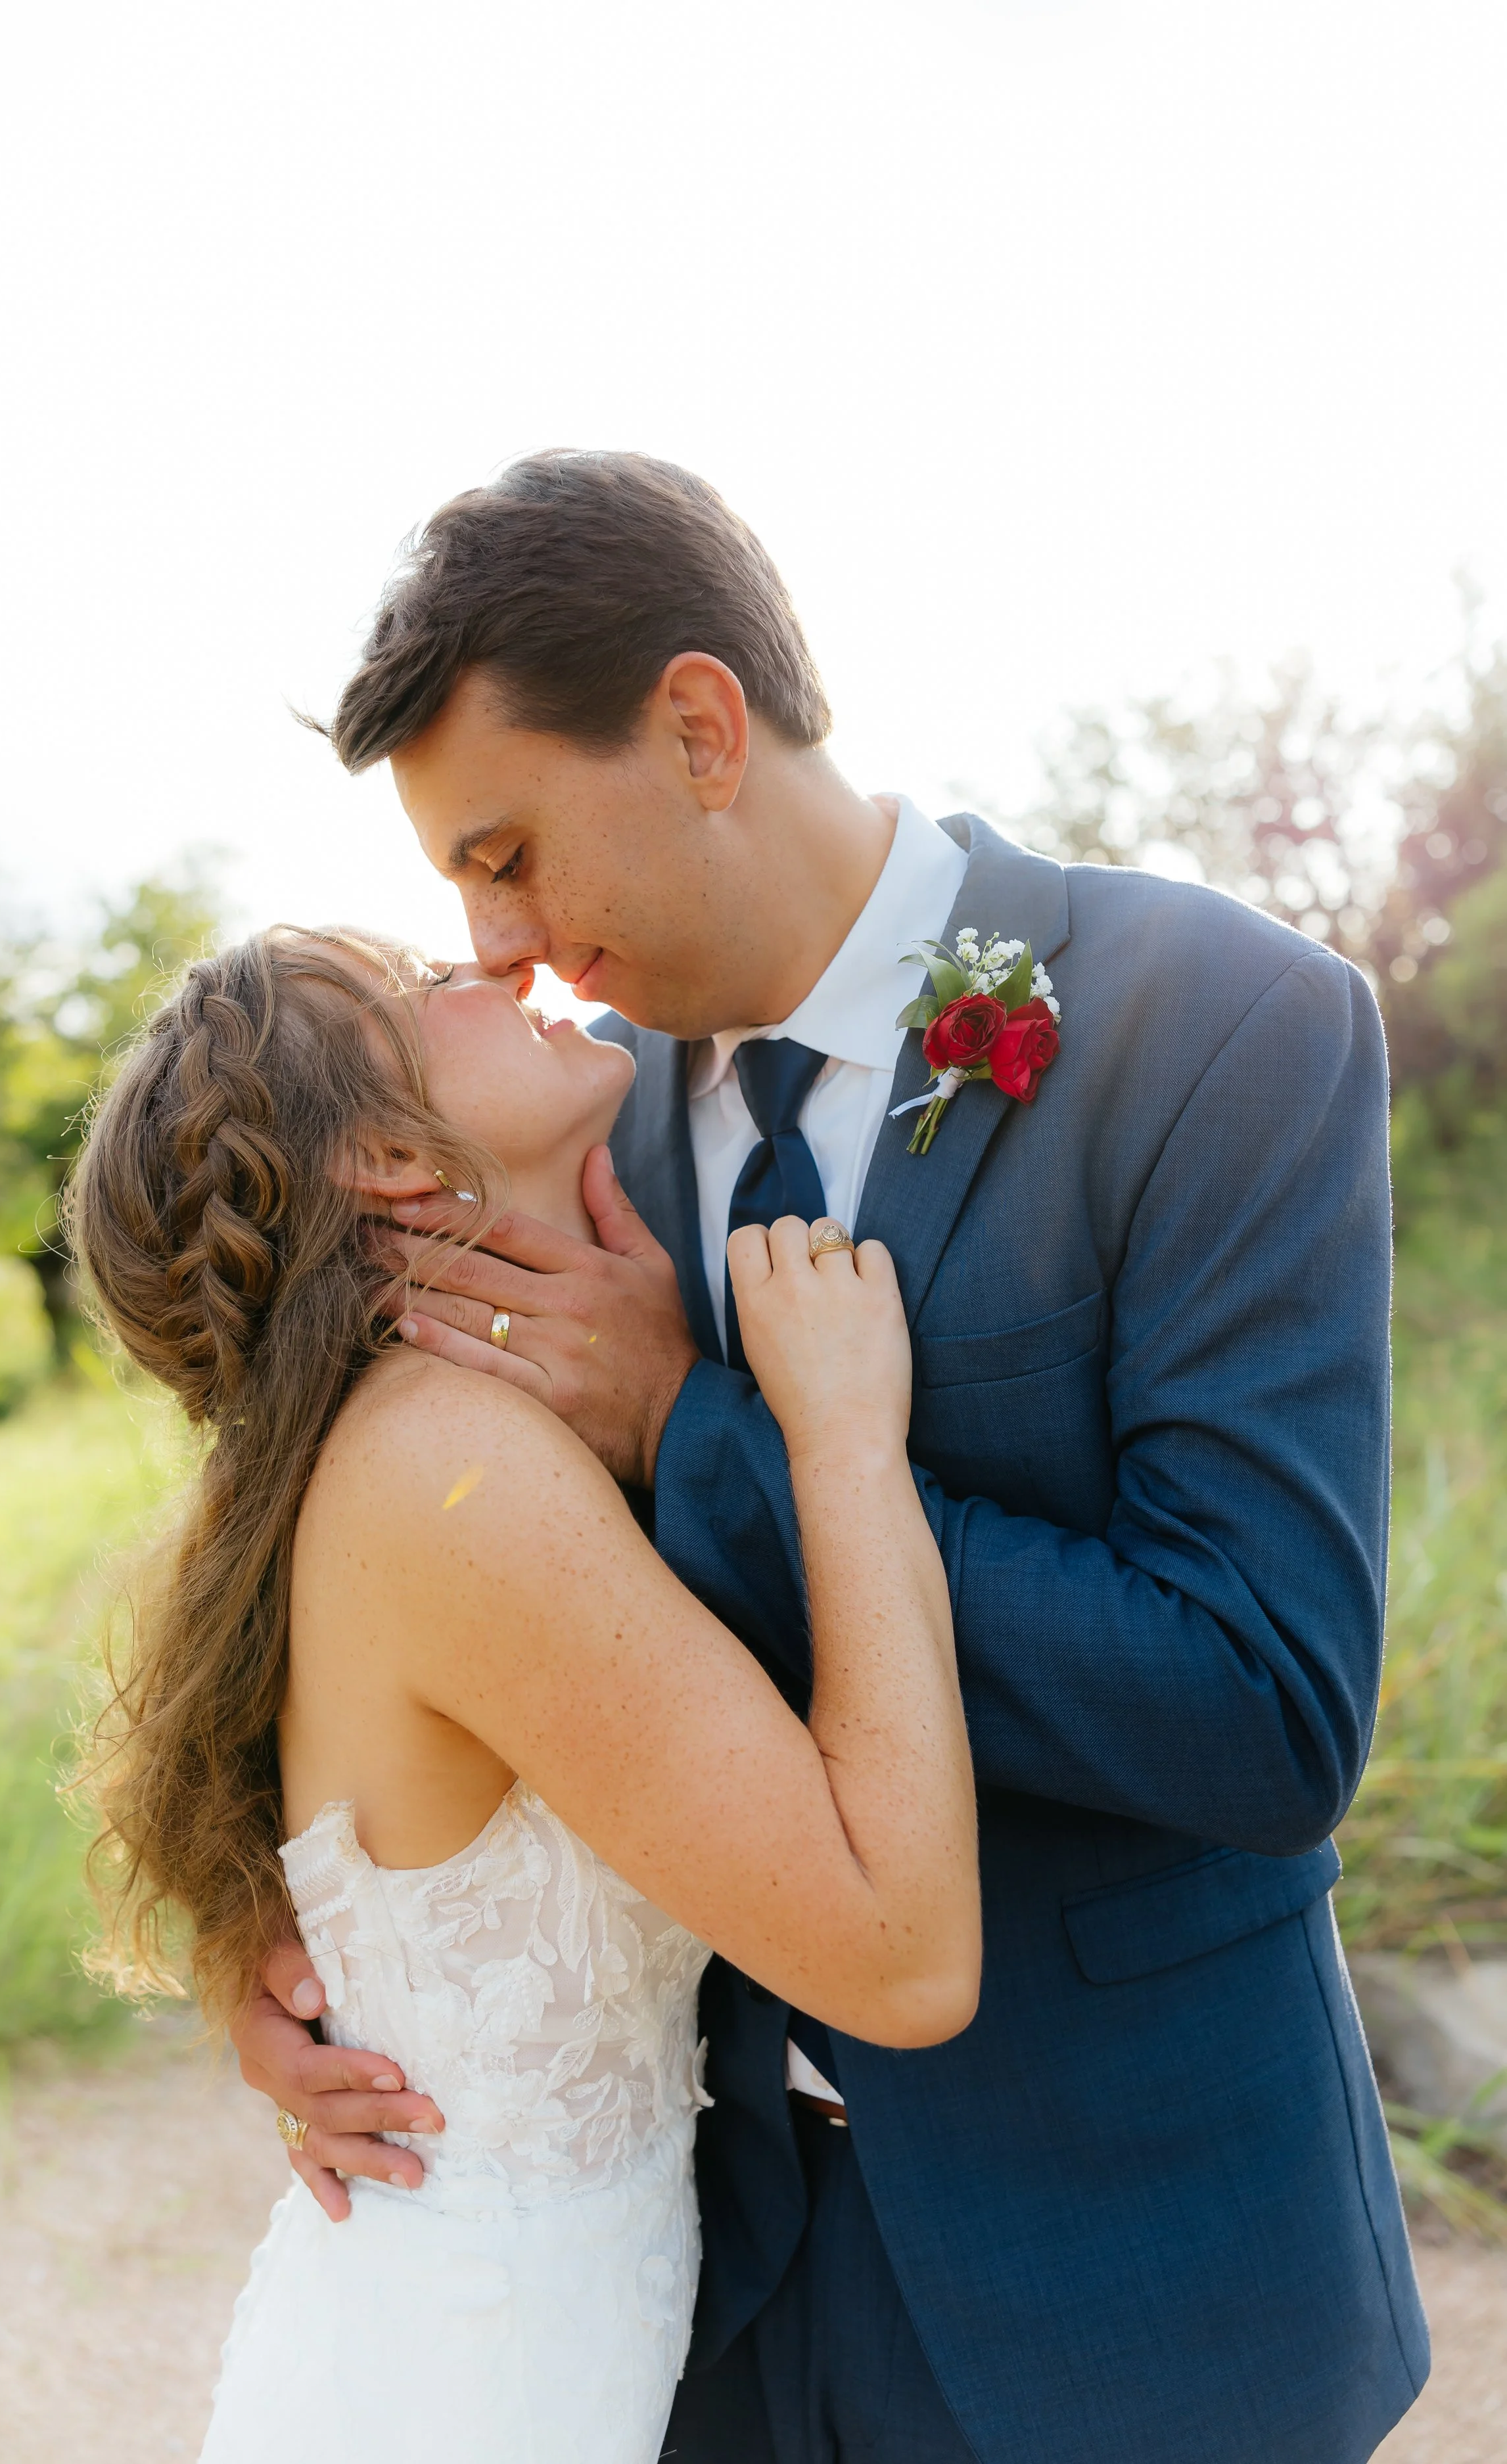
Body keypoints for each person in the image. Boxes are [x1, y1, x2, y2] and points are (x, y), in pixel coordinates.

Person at [232, 452, 1429, 2464]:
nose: (501, 939)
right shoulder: (567, 1138)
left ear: (700, 726)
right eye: (460, 885)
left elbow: (1266, 1702)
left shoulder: (1216, 1025)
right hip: (718, 2287)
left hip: (1136, 2259)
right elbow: (331, 1553)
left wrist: (699, 1431)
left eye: (510, 850)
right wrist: (271, 1956)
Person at [66, 923, 980, 2464]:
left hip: (524, 2343)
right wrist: (834, 1440)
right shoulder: (453, 1474)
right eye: (426, 993)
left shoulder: (436, 1436)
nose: (490, 966)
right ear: (385, 1162)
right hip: (472, 2385)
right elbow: (900, 1960)